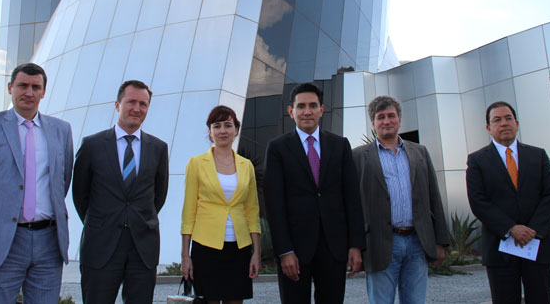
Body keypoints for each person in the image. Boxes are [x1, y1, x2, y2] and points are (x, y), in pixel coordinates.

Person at [0, 63, 74, 304]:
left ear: (44, 92)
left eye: (36, 87)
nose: (29, 92)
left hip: (48, 241)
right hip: (3, 240)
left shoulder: (61, 130)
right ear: (10, 87)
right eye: (23, 85)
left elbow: (62, 181)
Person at [264, 82, 365, 304]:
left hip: (334, 246)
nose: (307, 111)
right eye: (301, 106)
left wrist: (356, 245)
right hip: (294, 249)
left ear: (322, 109)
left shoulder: (340, 145)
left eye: (312, 105)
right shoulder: (277, 148)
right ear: (291, 112)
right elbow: (274, 204)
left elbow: (352, 198)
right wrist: (284, 251)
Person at [73, 80, 169, 304]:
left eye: (143, 104)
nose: (137, 109)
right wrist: (101, 221)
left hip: (142, 248)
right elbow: (80, 194)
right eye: (131, 102)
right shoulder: (92, 146)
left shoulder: (158, 148)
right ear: (117, 105)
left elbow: (159, 195)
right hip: (101, 245)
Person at [352, 95, 449, 304]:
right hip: (379, 244)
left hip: (417, 243)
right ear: (373, 124)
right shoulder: (358, 157)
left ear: (399, 120)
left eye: (391, 116)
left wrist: (440, 241)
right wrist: (354, 246)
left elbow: (434, 197)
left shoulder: (419, 152)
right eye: (381, 117)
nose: (386, 121)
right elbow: (352, 205)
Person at [467, 101, 550, 304]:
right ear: (488, 127)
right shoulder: (477, 161)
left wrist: (533, 230)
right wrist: (511, 228)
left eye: (508, 118)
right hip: (501, 249)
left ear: (516, 123)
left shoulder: (538, 155)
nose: (504, 123)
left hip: (537, 246)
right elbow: (478, 201)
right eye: (497, 120)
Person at [180, 105, 261, 304]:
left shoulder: (247, 166)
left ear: (236, 129)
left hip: (239, 248)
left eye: (228, 125)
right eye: (217, 126)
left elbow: (252, 211)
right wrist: (185, 255)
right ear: (210, 131)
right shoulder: (196, 163)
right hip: (206, 246)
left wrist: (257, 253)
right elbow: (188, 211)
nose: (222, 131)